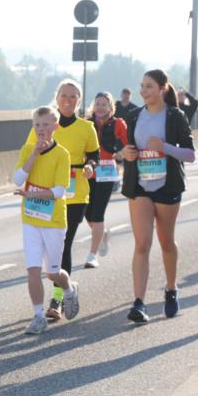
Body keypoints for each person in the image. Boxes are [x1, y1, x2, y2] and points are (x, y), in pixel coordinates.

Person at [120, 70, 195, 323]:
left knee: (166, 242)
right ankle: (139, 302)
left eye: (149, 86)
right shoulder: (133, 116)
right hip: (139, 185)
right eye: (142, 86)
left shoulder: (175, 116)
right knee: (142, 243)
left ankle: (171, 289)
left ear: (162, 88)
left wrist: (164, 147)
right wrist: (127, 154)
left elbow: (190, 154)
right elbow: (127, 149)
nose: (144, 91)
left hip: (167, 185)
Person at [22, 80, 99, 289]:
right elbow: (28, 153)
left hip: (75, 193)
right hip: (46, 193)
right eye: (64, 95)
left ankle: (58, 297)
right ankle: (67, 287)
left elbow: (94, 155)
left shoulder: (87, 128)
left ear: (79, 101)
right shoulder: (42, 125)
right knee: (49, 251)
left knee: (64, 245)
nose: (68, 100)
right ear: (56, 98)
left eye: (73, 96)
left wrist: (90, 165)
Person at [15, 106, 80, 333]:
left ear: (55, 126)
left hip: (53, 221)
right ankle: (38, 316)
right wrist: (34, 155)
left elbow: (59, 191)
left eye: (45, 125)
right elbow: (17, 179)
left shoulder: (62, 154)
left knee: (52, 273)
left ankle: (69, 289)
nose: (40, 129)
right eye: (37, 125)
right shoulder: (27, 150)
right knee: (33, 270)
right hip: (31, 219)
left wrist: (32, 195)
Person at [84, 91, 127, 268]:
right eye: (97, 104)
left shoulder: (118, 124)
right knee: (87, 212)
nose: (100, 107)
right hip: (89, 171)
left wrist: (120, 154)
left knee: (98, 213)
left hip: (107, 171)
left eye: (104, 104)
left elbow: (128, 143)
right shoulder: (87, 123)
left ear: (110, 107)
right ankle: (103, 234)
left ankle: (92, 255)